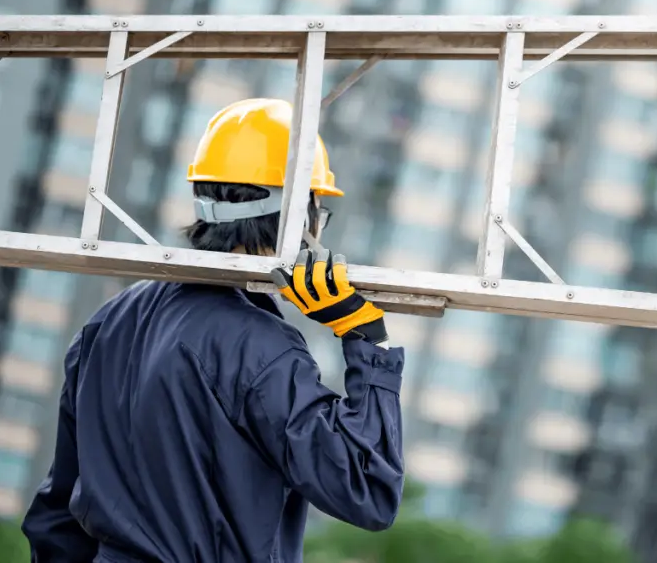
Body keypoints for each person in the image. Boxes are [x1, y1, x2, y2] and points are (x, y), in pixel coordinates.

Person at [20, 98, 405, 562]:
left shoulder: (109, 322)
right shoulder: (261, 348)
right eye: (318, 211)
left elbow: (57, 515)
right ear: (296, 216)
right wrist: (369, 340)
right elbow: (367, 488)